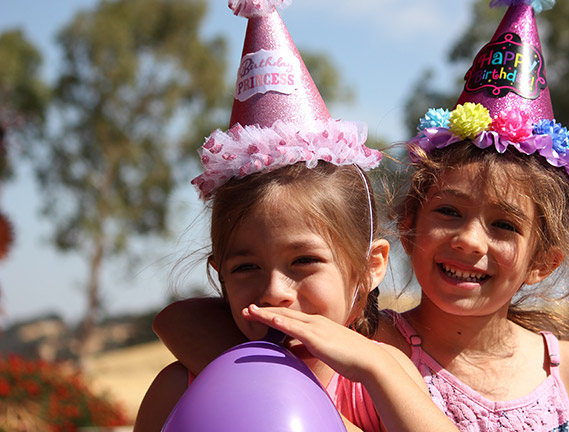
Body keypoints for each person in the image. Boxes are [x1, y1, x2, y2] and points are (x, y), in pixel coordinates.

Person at [153, 0, 569, 430]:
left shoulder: (375, 359)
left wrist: (370, 372)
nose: (469, 240)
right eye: (448, 211)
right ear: (410, 225)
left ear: (543, 261)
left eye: (504, 224)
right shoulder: (377, 342)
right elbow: (181, 320)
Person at [134, 1, 461, 431]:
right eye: (245, 266)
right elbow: (175, 319)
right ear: (220, 275)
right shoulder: (181, 387)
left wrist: (376, 371)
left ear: (370, 267)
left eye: (304, 261)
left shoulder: (381, 385)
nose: (273, 293)